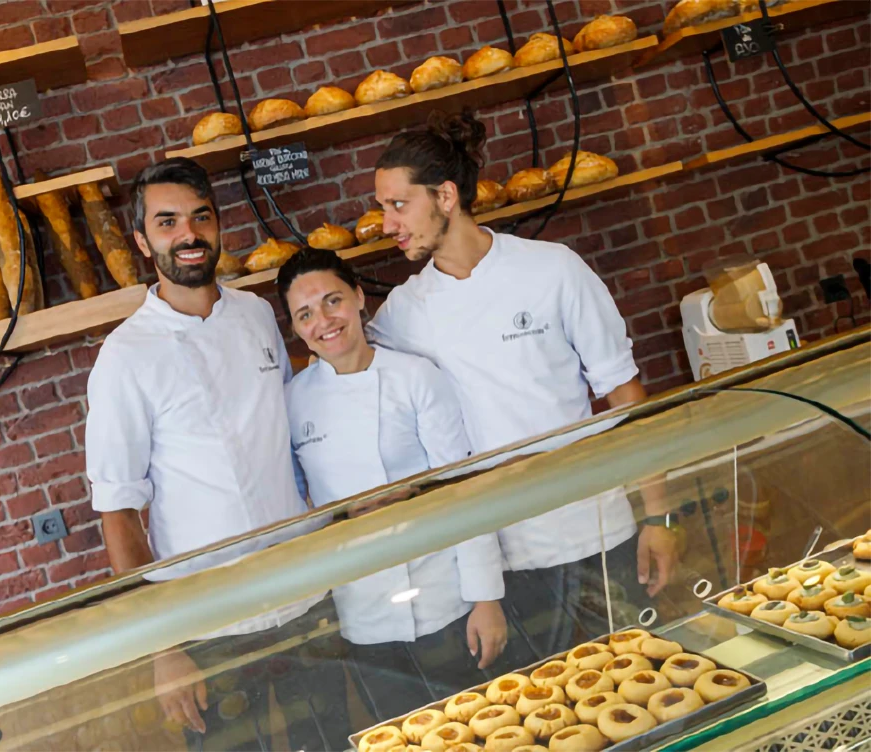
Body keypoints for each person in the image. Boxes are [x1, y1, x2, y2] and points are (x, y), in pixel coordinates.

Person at [365, 112, 679, 657]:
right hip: (505, 561)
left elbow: (626, 398)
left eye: (398, 205)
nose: (388, 224)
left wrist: (659, 515)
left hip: (600, 530)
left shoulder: (553, 269)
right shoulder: (402, 315)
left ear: (444, 197)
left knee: (642, 689)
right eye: (382, 208)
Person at [85, 158, 347, 752]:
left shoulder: (256, 314)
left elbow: (292, 441)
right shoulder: (126, 356)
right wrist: (164, 647)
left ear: (217, 224)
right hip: (210, 626)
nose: (188, 234)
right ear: (142, 239)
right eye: (168, 221)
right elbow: (120, 514)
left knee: (335, 740)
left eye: (200, 217)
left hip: (306, 592)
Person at [277, 248, 534, 721]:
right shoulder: (292, 403)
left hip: (448, 597)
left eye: (333, 301)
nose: (324, 322)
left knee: (487, 728)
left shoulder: (416, 378)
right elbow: (303, 506)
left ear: (358, 297)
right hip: (366, 612)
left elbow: (465, 489)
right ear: (295, 328)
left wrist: (485, 598)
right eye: (305, 314)